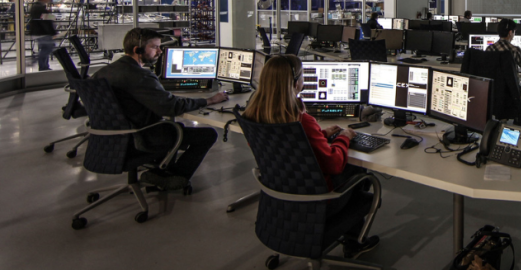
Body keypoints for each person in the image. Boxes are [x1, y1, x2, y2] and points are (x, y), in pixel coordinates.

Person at [242, 54, 379, 258]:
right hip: (316, 200)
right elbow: (333, 164)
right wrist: (344, 137)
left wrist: (320, 135)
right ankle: (354, 241)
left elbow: (287, 146)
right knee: (358, 170)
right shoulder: (301, 120)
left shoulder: (252, 114)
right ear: (295, 82)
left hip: (279, 194)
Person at [92, 28, 228, 190]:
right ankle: (173, 176)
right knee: (207, 134)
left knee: (176, 127)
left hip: (110, 140)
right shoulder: (140, 76)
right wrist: (209, 100)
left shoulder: (102, 72)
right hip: (140, 138)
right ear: (137, 50)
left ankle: (160, 171)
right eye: (155, 47)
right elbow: (172, 107)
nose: (160, 51)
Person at [28, 0, 56, 71]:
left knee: (45, 48)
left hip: (40, 32)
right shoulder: (39, 7)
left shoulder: (37, 6)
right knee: (47, 48)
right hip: (42, 32)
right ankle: (37, 62)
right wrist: (52, 31)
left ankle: (44, 66)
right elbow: (44, 20)